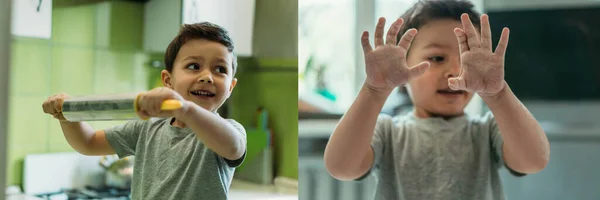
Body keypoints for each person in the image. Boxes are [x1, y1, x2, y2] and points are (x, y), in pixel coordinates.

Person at [323, 0, 550, 199]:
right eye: (437, 58)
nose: (455, 71)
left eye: (466, 60)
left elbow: (534, 160)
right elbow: (341, 167)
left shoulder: (488, 131)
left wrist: (498, 94)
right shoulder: (388, 132)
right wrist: (374, 91)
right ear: (403, 67)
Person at [42, 22, 246, 200]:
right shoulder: (147, 129)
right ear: (168, 80)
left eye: (220, 69)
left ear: (230, 87)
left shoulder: (229, 131)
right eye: (194, 66)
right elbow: (88, 143)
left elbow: (232, 146)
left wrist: (185, 108)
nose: (207, 77)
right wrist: (68, 118)